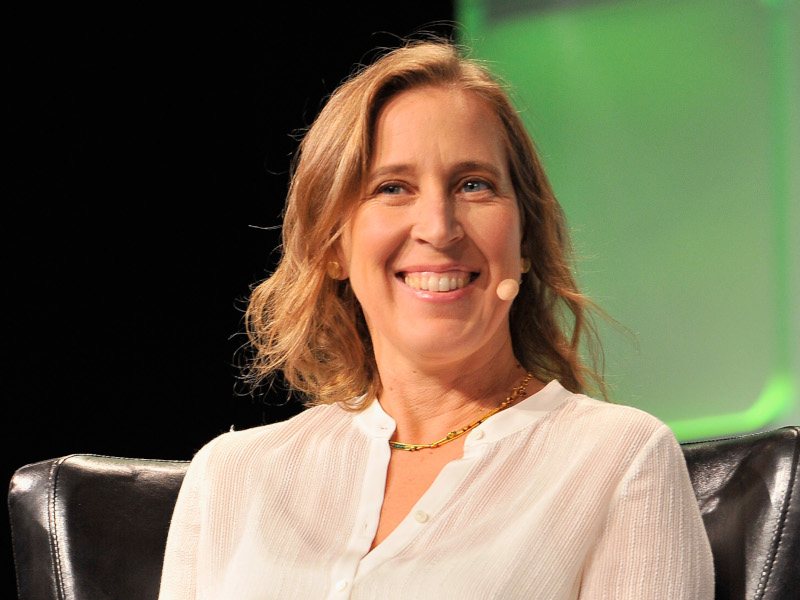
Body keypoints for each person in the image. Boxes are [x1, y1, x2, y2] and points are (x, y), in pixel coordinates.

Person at [158, 37, 714, 599]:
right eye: (392, 188)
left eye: (474, 185)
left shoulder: (618, 460)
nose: (439, 227)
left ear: (524, 240)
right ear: (333, 246)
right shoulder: (231, 477)